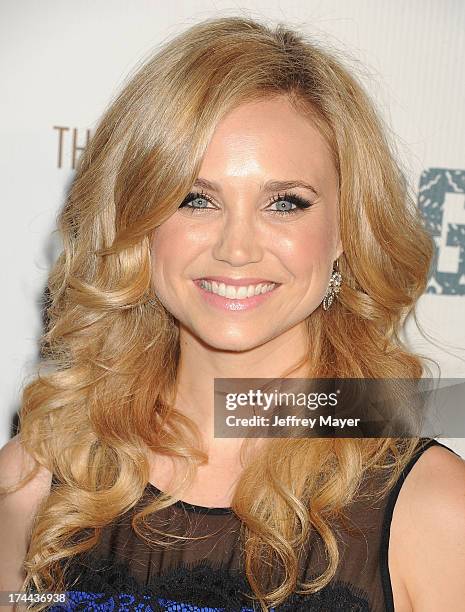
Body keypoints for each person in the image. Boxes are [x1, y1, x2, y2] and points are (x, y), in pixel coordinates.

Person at [1, 15, 465, 612]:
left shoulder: (432, 512)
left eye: (285, 203)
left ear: (345, 230)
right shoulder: (37, 480)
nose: (237, 249)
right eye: (196, 199)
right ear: (139, 224)